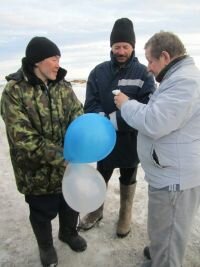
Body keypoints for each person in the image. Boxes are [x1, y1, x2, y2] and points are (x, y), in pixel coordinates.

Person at [114, 31, 200, 267]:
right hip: (167, 172)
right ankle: (157, 253)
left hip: (176, 180)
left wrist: (126, 105)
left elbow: (155, 122)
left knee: (170, 237)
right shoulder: (176, 78)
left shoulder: (186, 82)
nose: (149, 68)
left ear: (165, 56)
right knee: (162, 228)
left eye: (151, 61)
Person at [0, 36, 87, 267]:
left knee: (70, 203)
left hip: (67, 168)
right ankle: (46, 245)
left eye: (59, 58)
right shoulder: (13, 91)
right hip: (35, 171)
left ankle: (68, 233)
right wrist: (62, 157)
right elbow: (22, 137)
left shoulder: (63, 86)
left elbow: (77, 116)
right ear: (37, 61)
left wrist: (85, 142)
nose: (58, 63)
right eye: (53, 58)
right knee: (41, 211)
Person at [79, 18, 156, 238]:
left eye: (125, 46)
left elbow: (146, 107)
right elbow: (90, 104)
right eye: (117, 46)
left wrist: (115, 120)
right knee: (100, 176)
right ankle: (95, 210)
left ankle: (125, 214)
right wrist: (102, 120)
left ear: (132, 47)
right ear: (111, 47)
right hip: (103, 141)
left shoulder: (144, 74)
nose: (121, 51)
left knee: (128, 177)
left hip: (131, 141)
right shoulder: (98, 72)